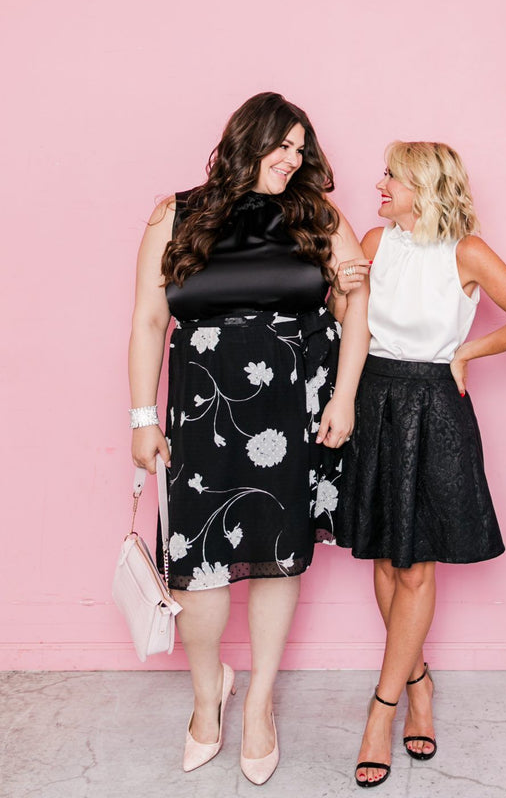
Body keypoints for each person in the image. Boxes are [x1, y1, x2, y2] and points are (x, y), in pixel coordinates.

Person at [128, 92, 368, 783]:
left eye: (301, 149)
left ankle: (259, 703)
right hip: (201, 411)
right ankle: (210, 692)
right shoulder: (174, 213)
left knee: (276, 559)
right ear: (246, 141)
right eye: (282, 145)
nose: (293, 160)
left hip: (293, 411)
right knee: (197, 570)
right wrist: (143, 418)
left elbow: (357, 307)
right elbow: (148, 321)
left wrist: (344, 398)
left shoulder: (317, 215)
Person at [331, 140, 506, 788]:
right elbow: (352, 327)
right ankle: (419, 679)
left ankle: (384, 706)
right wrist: (341, 290)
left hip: (434, 407)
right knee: (381, 556)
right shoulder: (373, 242)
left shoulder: (467, 252)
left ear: (421, 187)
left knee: (416, 563)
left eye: (390, 177)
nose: (378, 184)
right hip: (374, 400)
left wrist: (465, 353)